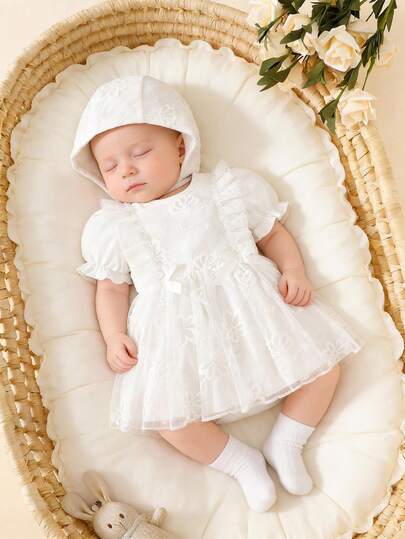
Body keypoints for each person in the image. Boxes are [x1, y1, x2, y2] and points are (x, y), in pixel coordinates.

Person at [71, 74, 365, 513]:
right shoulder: (117, 226)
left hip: (257, 314)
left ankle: (288, 439)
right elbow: (111, 288)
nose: (126, 170)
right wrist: (114, 336)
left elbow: (272, 234)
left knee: (325, 368)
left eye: (140, 153)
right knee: (168, 418)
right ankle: (240, 462)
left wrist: (294, 271)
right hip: (181, 339)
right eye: (109, 167)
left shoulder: (227, 190)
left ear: (181, 147)